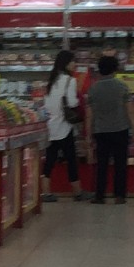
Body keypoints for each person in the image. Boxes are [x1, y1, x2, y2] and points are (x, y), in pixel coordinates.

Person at [85, 53, 134, 204]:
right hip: (120, 129)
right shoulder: (122, 86)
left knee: (102, 164)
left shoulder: (93, 89)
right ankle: (120, 195)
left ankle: (99, 195)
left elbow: (89, 114)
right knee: (120, 164)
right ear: (115, 69)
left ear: (99, 69)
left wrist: (88, 134)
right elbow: (129, 110)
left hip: (101, 131)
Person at [41, 48, 86, 202]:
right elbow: (72, 103)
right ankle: (78, 192)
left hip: (51, 126)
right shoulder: (70, 80)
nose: (74, 64)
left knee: (50, 160)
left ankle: (45, 192)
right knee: (71, 160)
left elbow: (47, 104)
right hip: (64, 126)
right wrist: (80, 100)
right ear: (66, 63)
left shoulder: (51, 81)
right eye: (73, 61)